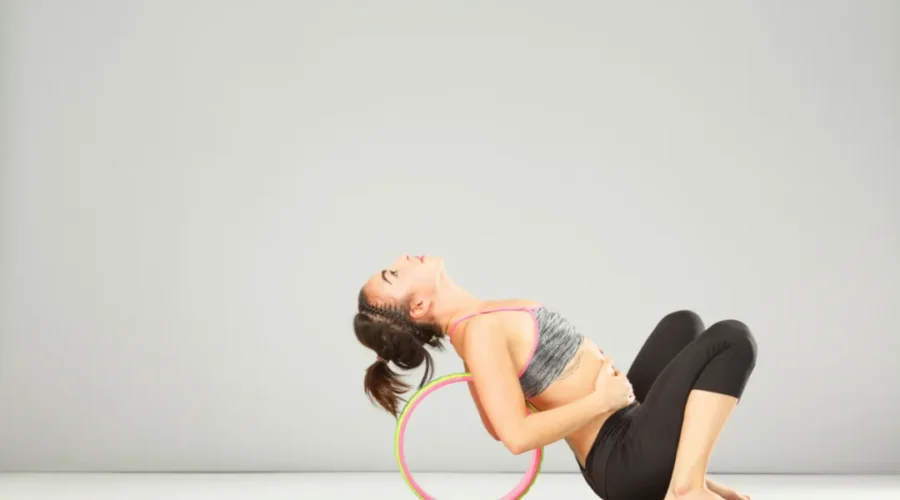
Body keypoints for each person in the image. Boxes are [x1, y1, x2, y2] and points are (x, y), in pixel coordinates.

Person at [353, 254, 757, 500]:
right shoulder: (478, 335)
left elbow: (495, 425)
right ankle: (683, 491)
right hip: (621, 458)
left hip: (630, 429)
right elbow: (515, 436)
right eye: (394, 273)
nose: (404, 257)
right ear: (420, 305)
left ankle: (687, 478)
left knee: (683, 324)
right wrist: (602, 400)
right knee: (733, 339)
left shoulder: (476, 326)